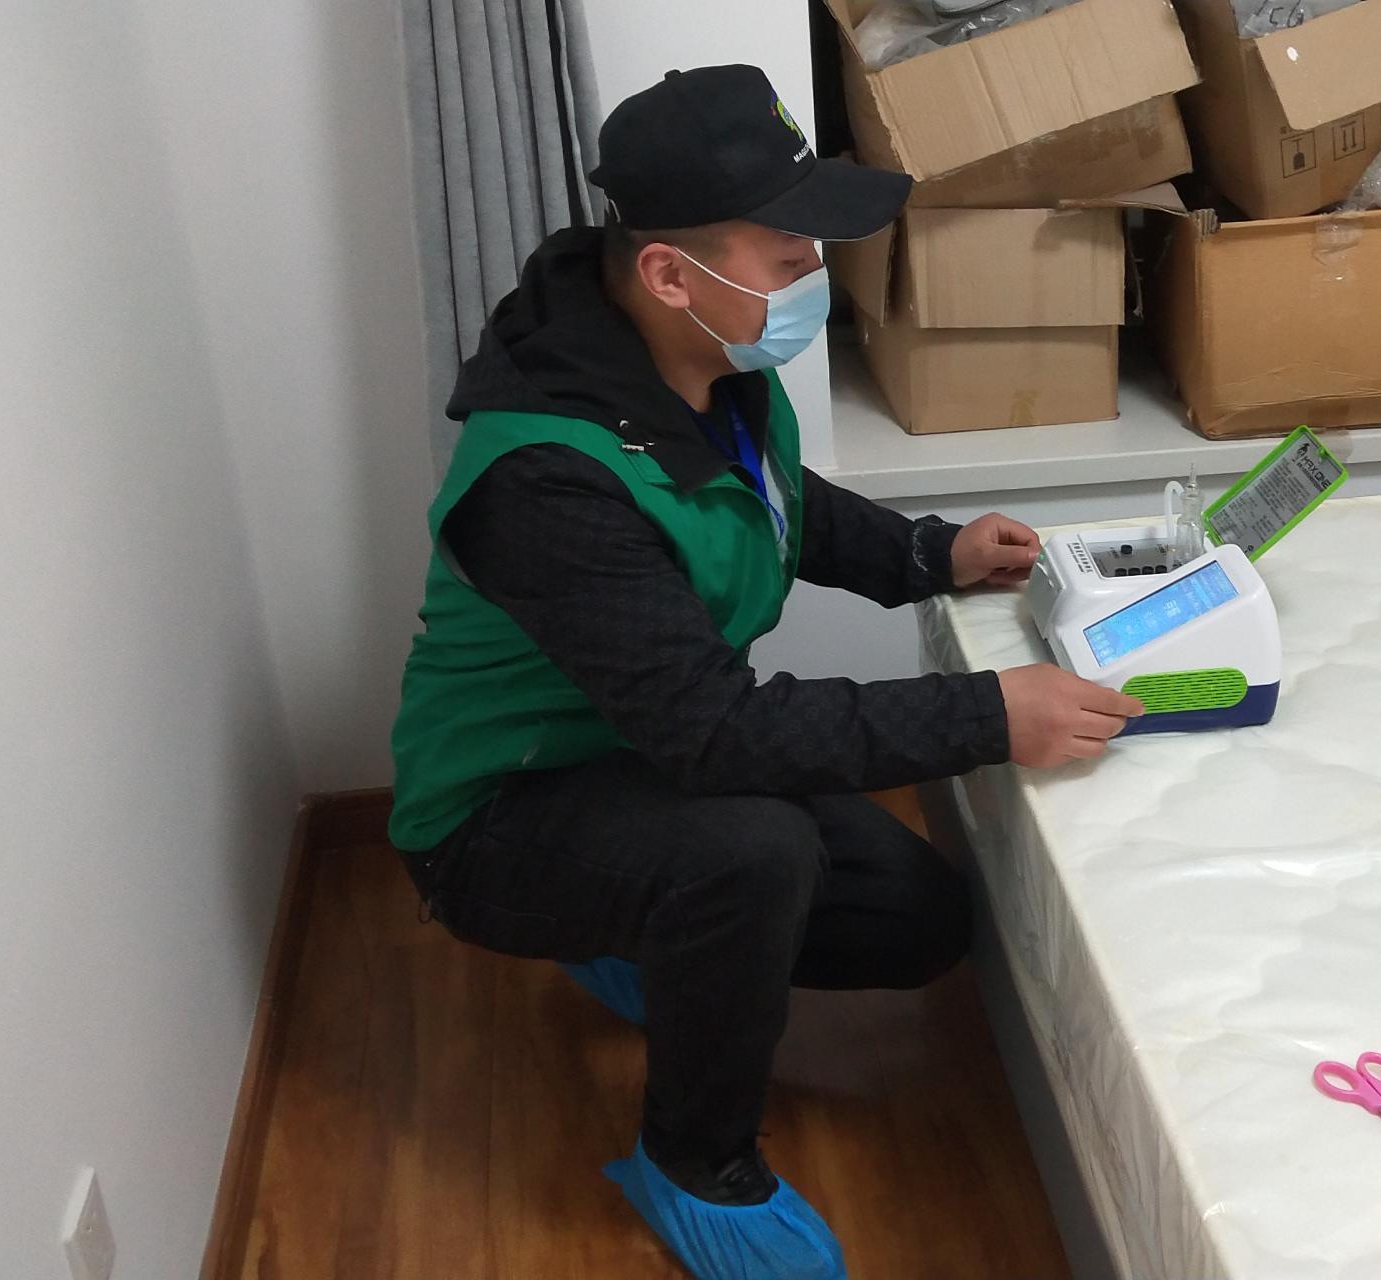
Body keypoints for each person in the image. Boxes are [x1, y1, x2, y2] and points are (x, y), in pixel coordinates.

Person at [384, 65, 1145, 1280]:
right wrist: (990, 711)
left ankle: (650, 932)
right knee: (751, 852)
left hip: (646, 752)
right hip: (502, 814)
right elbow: (714, 732)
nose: (814, 275)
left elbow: (782, 501)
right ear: (668, 273)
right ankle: (696, 1158)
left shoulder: (707, 365)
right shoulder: (545, 477)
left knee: (915, 918)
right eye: (789, 255)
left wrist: (928, 552)